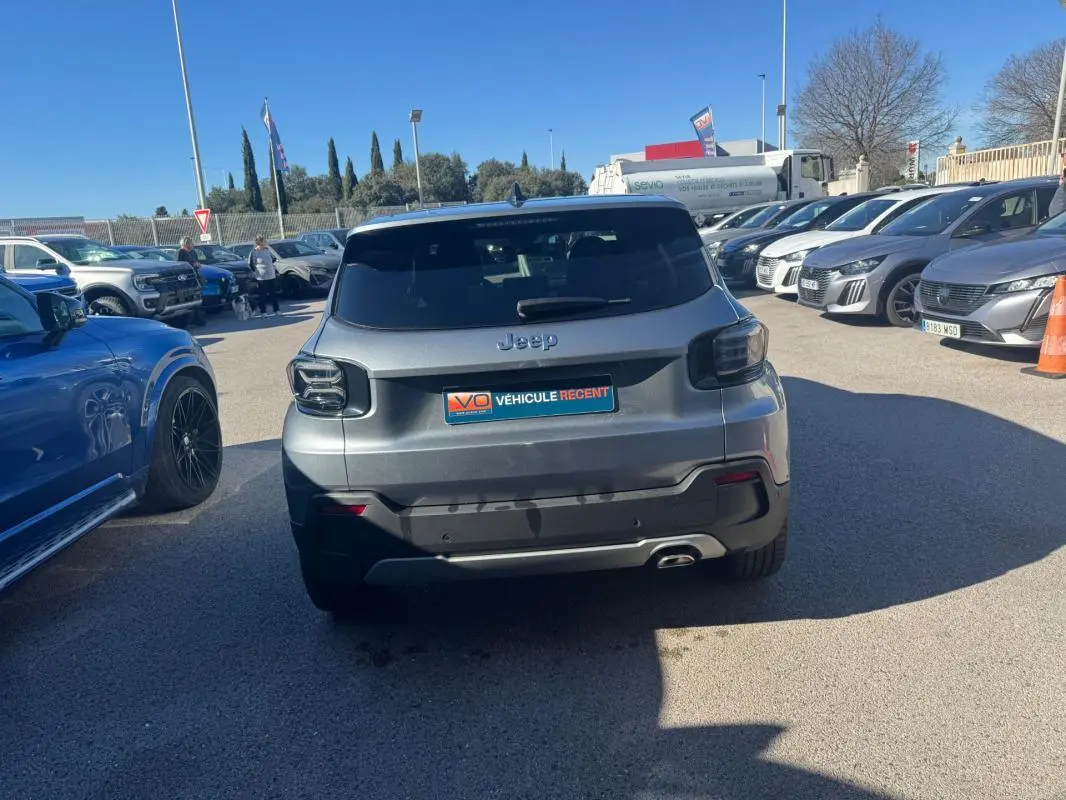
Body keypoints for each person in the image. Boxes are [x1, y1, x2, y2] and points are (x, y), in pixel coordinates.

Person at [176, 237, 206, 327]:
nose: (192, 245)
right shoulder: (181, 252)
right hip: (186, 279)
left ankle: (197, 318)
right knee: (191, 298)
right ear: (187, 244)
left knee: (196, 297)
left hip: (193, 277)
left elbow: (195, 262)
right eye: (191, 243)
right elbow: (180, 264)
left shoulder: (191, 252)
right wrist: (194, 264)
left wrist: (196, 264)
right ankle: (194, 319)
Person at [249, 235, 280, 317]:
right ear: (258, 242)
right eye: (262, 241)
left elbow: (272, 259)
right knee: (262, 295)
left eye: (263, 241)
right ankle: (263, 312)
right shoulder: (254, 252)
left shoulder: (267, 250)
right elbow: (251, 264)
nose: (264, 242)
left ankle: (276, 310)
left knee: (273, 294)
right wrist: (256, 272)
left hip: (271, 275)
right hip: (261, 277)